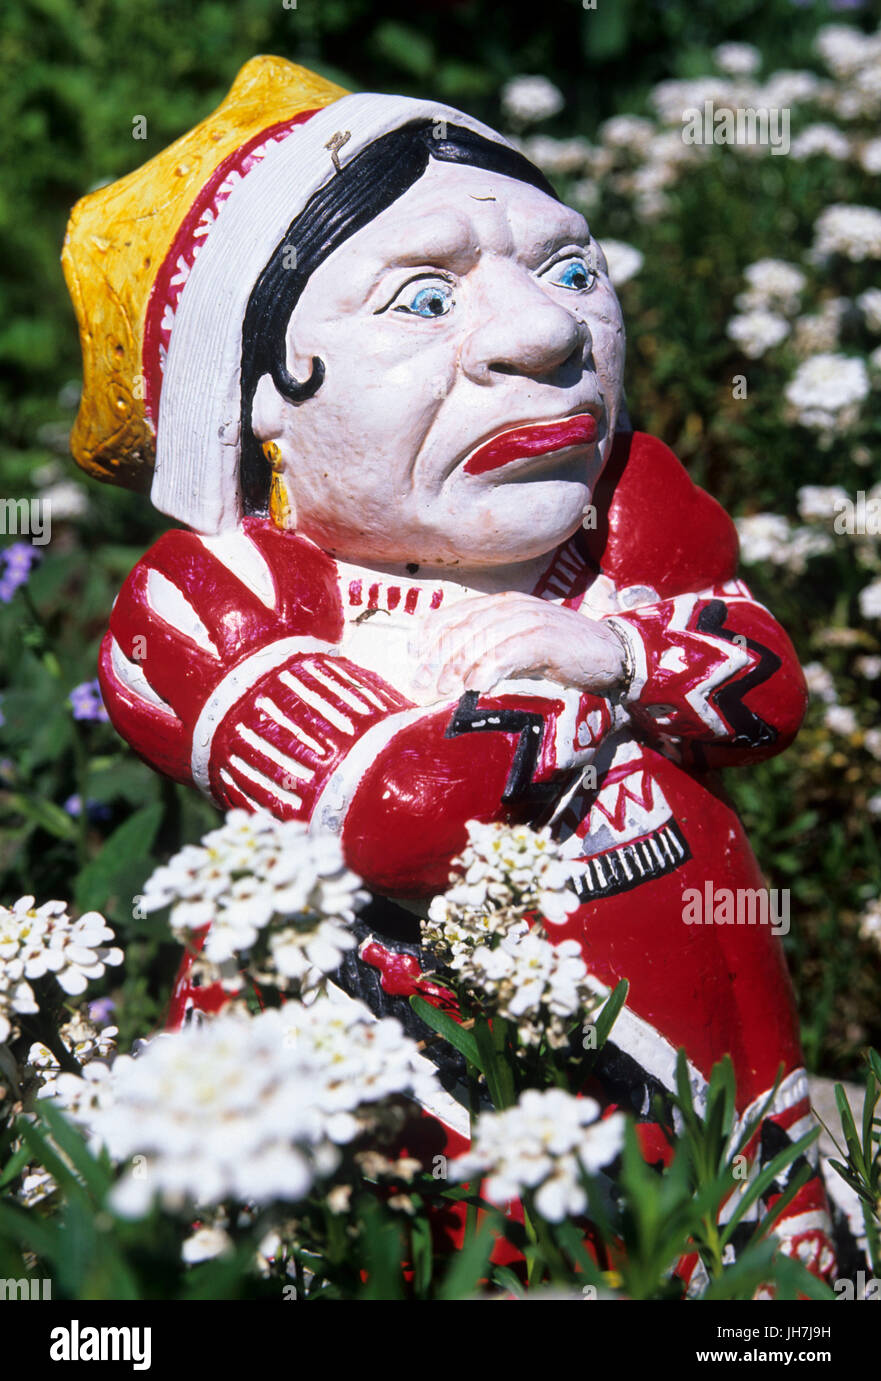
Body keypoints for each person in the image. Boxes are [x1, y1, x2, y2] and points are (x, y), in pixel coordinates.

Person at [63, 56, 834, 1284]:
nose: (542, 334)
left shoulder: (626, 516)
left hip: (714, 1041)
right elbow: (399, 815)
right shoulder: (222, 602)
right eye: (420, 299)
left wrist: (611, 644)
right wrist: (575, 691)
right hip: (413, 1088)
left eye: (571, 272)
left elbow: (764, 689)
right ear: (259, 392)